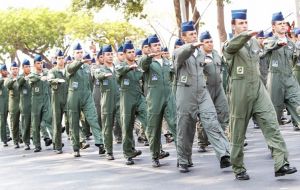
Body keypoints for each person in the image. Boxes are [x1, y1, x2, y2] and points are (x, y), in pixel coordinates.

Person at [222, 9, 297, 180]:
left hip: (258, 88)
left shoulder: (255, 43)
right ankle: (238, 167)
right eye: (241, 23)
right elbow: (232, 47)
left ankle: (281, 163)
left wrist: (276, 44)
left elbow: (264, 52)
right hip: (239, 91)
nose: (245, 25)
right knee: (238, 132)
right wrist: (246, 36)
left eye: (246, 22)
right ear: (233, 26)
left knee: (272, 123)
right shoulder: (229, 44)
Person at [174, 21, 231, 173]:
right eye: (191, 34)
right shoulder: (179, 52)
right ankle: (184, 159)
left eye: (195, 34)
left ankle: (224, 154)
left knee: (212, 122)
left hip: (202, 92)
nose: (194, 36)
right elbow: (182, 53)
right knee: (186, 128)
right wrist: (191, 46)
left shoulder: (200, 53)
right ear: (183, 36)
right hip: (186, 94)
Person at [140, 34, 177, 167]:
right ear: (149, 48)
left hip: (168, 97)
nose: (157, 47)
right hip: (154, 99)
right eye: (154, 45)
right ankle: (155, 155)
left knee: (175, 125)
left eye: (158, 45)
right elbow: (142, 64)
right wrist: (149, 56)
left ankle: (183, 158)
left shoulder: (167, 61)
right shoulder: (148, 62)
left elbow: (174, 75)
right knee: (154, 128)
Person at [66, 43, 104, 157]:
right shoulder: (69, 66)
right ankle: (76, 147)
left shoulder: (87, 67)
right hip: (74, 97)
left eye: (81, 52)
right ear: (73, 54)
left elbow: (94, 75)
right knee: (74, 122)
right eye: (77, 52)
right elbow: (72, 69)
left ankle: (100, 143)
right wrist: (80, 62)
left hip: (87, 96)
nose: (80, 54)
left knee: (93, 119)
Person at [264, 12, 300, 131]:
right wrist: (278, 43)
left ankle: (297, 123)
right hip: (275, 80)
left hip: (289, 77)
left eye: (284, 23)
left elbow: (294, 59)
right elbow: (268, 46)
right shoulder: (269, 41)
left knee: (298, 102)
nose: (283, 25)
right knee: (275, 112)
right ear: (273, 27)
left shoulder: (290, 43)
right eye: (280, 24)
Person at [115, 41, 145, 165]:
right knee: (127, 126)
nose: (132, 54)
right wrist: (129, 67)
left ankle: (158, 151)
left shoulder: (138, 65)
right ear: (124, 54)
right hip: (126, 98)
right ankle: (128, 153)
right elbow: (120, 71)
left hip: (139, 96)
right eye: (129, 52)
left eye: (133, 52)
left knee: (150, 121)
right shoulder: (120, 66)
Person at [94, 44, 120, 160]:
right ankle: (109, 151)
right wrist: (104, 75)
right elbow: (97, 75)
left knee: (126, 125)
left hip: (120, 100)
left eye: (111, 54)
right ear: (102, 57)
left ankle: (130, 150)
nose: (110, 56)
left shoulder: (118, 68)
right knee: (107, 127)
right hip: (107, 101)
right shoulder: (99, 69)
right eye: (107, 55)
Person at [28, 55, 53, 152]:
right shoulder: (32, 74)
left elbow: (50, 75)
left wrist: (48, 76)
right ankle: (37, 145)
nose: (40, 65)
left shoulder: (46, 72)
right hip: (36, 101)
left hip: (46, 99)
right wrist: (40, 77)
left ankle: (55, 141)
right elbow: (32, 78)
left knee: (48, 120)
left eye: (41, 63)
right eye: (38, 63)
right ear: (34, 65)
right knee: (35, 123)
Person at [47, 50, 68, 154]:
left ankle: (78, 143)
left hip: (68, 98)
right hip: (56, 98)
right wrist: (57, 80)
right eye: (59, 58)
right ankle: (57, 145)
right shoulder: (53, 71)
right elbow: (50, 79)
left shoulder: (67, 70)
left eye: (62, 58)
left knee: (72, 120)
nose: (61, 60)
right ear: (56, 60)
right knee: (57, 122)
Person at [5, 62, 21, 148]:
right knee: (14, 123)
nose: (15, 70)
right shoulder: (9, 79)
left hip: (22, 102)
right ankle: (15, 141)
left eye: (16, 69)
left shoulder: (21, 77)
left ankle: (25, 140)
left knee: (25, 122)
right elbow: (7, 85)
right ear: (10, 70)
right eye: (13, 69)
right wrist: (13, 80)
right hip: (13, 103)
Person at [18, 59, 32, 150]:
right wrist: (24, 78)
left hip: (33, 102)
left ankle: (36, 141)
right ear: (23, 68)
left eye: (29, 66)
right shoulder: (20, 77)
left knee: (35, 123)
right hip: (24, 103)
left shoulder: (32, 76)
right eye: (26, 67)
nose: (28, 68)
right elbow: (19, 83)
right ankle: (26, 142)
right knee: (26, 124)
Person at [0, 64, 9, 147]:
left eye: (6, 70)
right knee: (3, 121)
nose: (5, 71)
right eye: (3, 70)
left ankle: (19, 136)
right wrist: (3, 79)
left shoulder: (9, 78)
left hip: (11, 101)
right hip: (2, 103)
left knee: (16, 119)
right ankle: (4, 139)